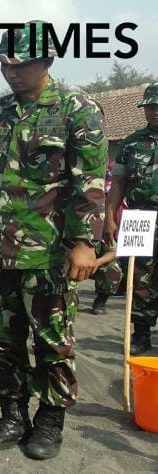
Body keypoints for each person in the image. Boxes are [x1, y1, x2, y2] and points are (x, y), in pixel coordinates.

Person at [0, 22, 106, 460]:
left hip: (49, 252)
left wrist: (84, 243)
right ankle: (12, 413)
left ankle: (49, 420)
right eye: (5, 64)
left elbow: (91, 184)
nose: (11, 73)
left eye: (20, 65)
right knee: (0, 337)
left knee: (52, 340)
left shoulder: (78, 110)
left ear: (48, 61)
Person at [106, 82, 157, 354]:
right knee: (138, 276)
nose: (154, 112)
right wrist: (110, 217)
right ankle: (140, 334)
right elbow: (118, 184)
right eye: (150, 107)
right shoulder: (130, 143)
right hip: (139, 215)